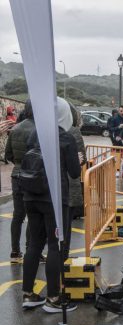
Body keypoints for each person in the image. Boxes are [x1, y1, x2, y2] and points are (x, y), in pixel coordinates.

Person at [22, 96, 80, 312]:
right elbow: (74, 172)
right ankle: (53, 298)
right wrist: (79, 159)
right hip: (54, 198)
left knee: (34, 244)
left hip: (31, 195)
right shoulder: (65, 138)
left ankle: (28, 294)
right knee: (55, 245)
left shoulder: (35, 132)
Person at [4, 100, 33, 264]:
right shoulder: (38, 130)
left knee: (18, 215)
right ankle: (32, 250)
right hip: (34, 176)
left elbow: (7, 155)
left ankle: (15, 251)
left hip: (17, 175)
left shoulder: (15, 129)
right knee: (33, 215)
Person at [63, 103, 86, 259]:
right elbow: (81, 158)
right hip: (68, 184)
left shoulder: (41, 129)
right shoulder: (73, 132)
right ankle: (63, 258)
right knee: (65, 226)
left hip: (41, 185)